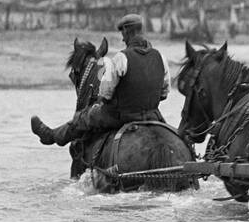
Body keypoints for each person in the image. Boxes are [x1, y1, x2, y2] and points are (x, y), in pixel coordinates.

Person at [30, 13, 170, 146]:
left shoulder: (121, 58)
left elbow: (105, 93)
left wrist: (110, 102)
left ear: (127, 31)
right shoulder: (161, 57)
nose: (123, 39)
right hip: (153, 115)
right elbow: (164, 93)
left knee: (83, 118)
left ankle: (52, 136)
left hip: (122, 116)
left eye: (123, 34)